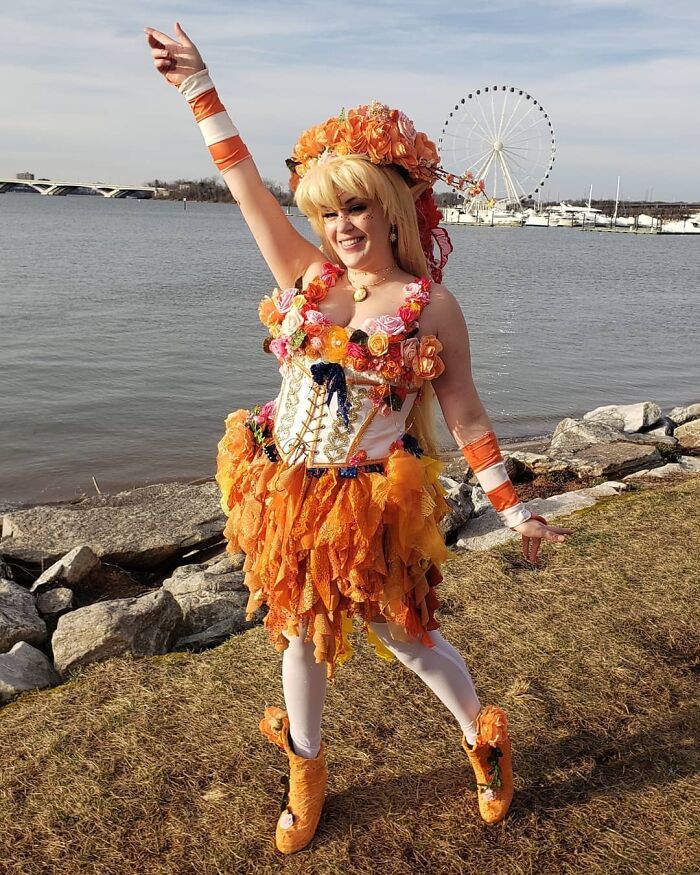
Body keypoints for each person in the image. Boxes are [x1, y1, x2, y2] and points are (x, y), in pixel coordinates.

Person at [144, 22, 574, 855]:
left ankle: (485, 743)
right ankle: (305, 774)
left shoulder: (429, 304)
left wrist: (516, 512)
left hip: (373, 497)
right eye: (328, 210)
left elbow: (469, 418)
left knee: (405, 636)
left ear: (393, 208)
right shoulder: (307, 277)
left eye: (357, 207)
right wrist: (200, 88)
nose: (342, 226)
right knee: (298, 632)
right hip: (289, 493)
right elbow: (241, 185)